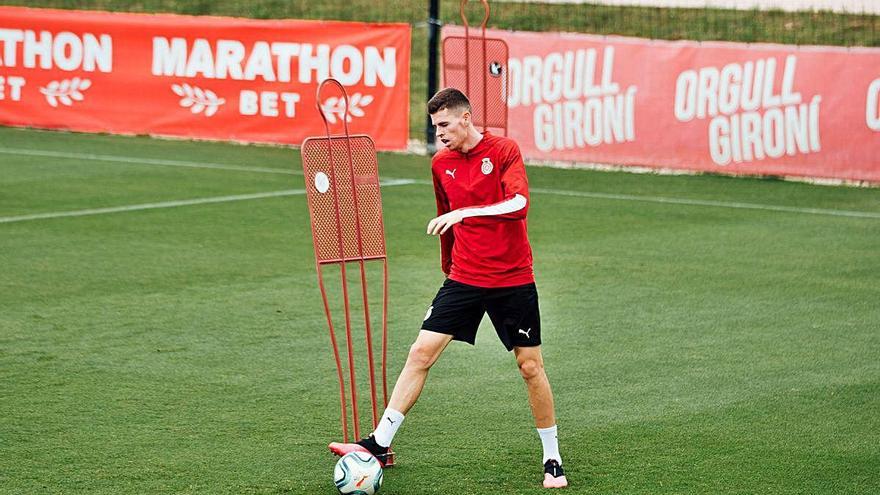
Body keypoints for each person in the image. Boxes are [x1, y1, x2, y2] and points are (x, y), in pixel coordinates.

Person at [330, 88, 567, 489]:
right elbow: (446, 219)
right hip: (464, 277)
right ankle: (378, 443)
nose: (438, 132)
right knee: (420, 352)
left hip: (512, 279)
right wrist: (449, 266)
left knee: (530, 367)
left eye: (444, 124)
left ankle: (552, 457)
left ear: (465, 118)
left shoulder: (504, 150)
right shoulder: (442, 164)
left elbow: (519, 204)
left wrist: (466, 211)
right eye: (434, 125)